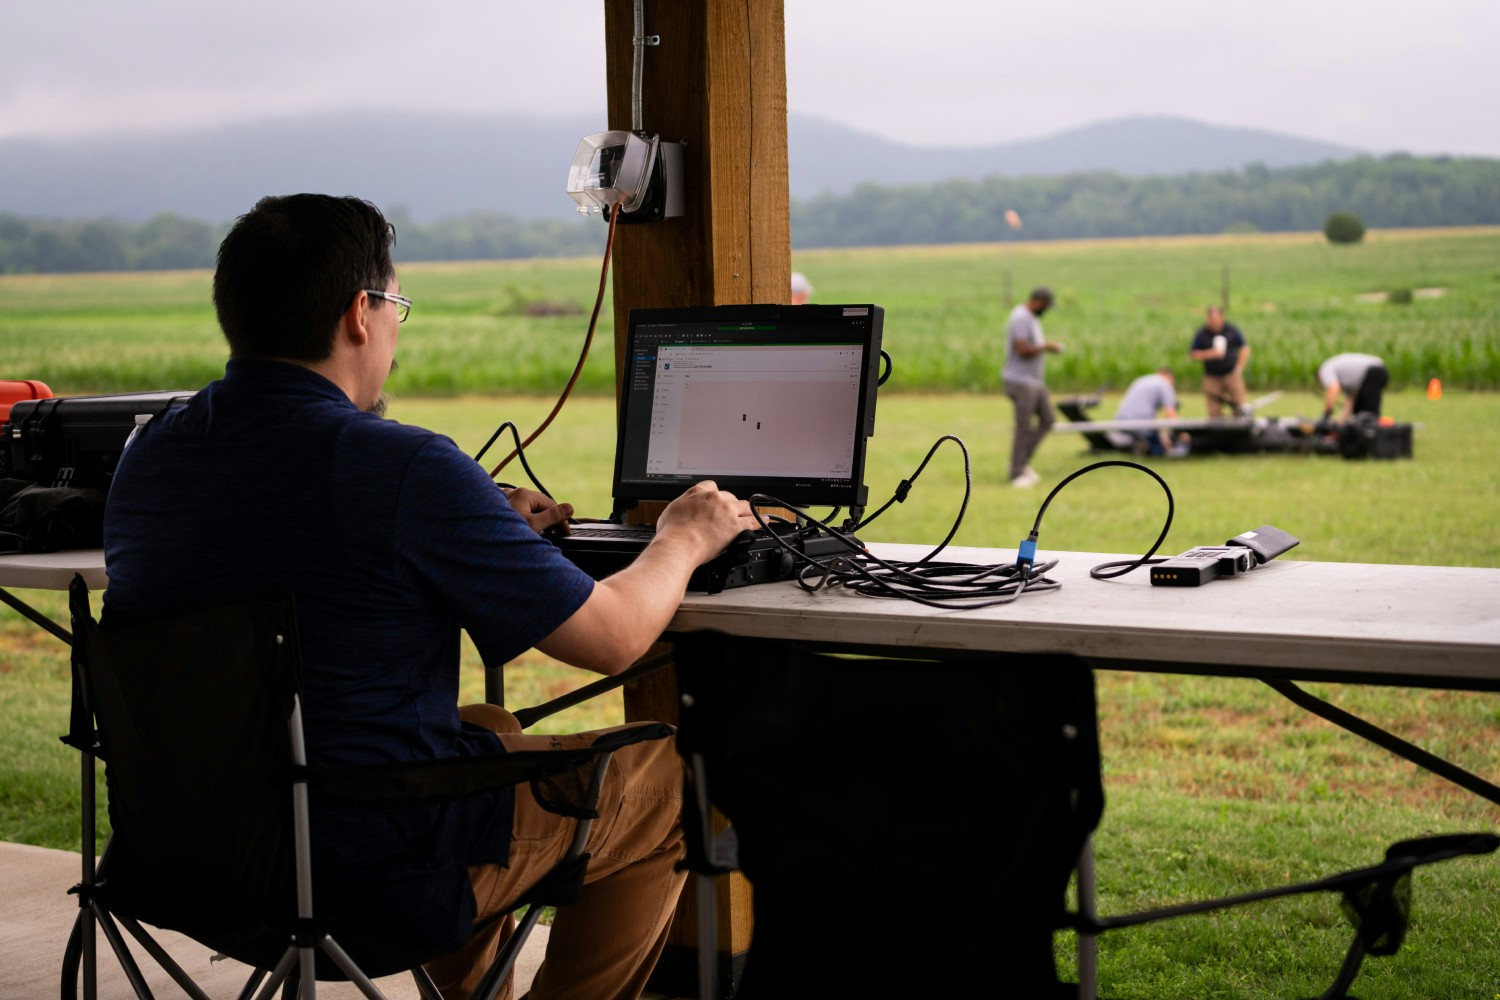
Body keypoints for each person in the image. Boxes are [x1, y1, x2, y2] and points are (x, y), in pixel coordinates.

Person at [101, 194, 757, 1000]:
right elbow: (615, 636)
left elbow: (298, 543)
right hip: (369, 873)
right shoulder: (403, 466)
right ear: (359, 314)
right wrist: (684, 538)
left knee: (486, 726)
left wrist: (482, 517)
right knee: (668, 772)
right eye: (397, 307)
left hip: (191, 855)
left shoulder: (149, 455)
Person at [1001, 286, 1062, 487]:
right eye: (1045, 305)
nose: (1045, 309)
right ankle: (1017, 473)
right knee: (1023, 426)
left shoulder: (1031, 318)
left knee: (1048, 418)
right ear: (1036, 301)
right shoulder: (1021, 317)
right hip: (1020, 381)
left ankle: (1021, 461)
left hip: (1034, 381)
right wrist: (1046, 347)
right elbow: (1022, 350)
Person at [1109, 367, 1189, 456]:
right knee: (1159, 449)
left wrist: (1163, 436)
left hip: (1121, 420)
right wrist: (1182, 433)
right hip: (1142, 424)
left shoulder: (1142, 380)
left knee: (1156, 436)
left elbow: (1150, 413)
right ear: (1170, 377)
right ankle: (1149, 447)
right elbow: (1170, 414)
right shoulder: (1165, 383)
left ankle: (1138, 445)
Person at [1188, 306, 1250, 416]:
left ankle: (1239, 430)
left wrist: (1239, 367)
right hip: (1212, 376)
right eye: (1211, 319)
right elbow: (1193, 354)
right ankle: (1217, 431)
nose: (1214, 322)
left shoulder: (1231, 330)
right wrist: (1211, 353)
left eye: (1216, 318)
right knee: (1214, 409)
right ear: (1208, 319)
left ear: (1222, 318)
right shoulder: (1202, 333)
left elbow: (1244, 348)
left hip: (1231, 374)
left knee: (1239, 405)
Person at [1317, 352, 1389, 421]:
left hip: (1374, 371)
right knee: (1359, 413)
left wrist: (1326, 414)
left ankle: (1375, 431)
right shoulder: (1351, 382)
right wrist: (1340, 424)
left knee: (1369, 415)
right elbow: (1350, 404)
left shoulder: (1324, 369)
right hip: (1377, 371)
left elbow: (1333, 388)